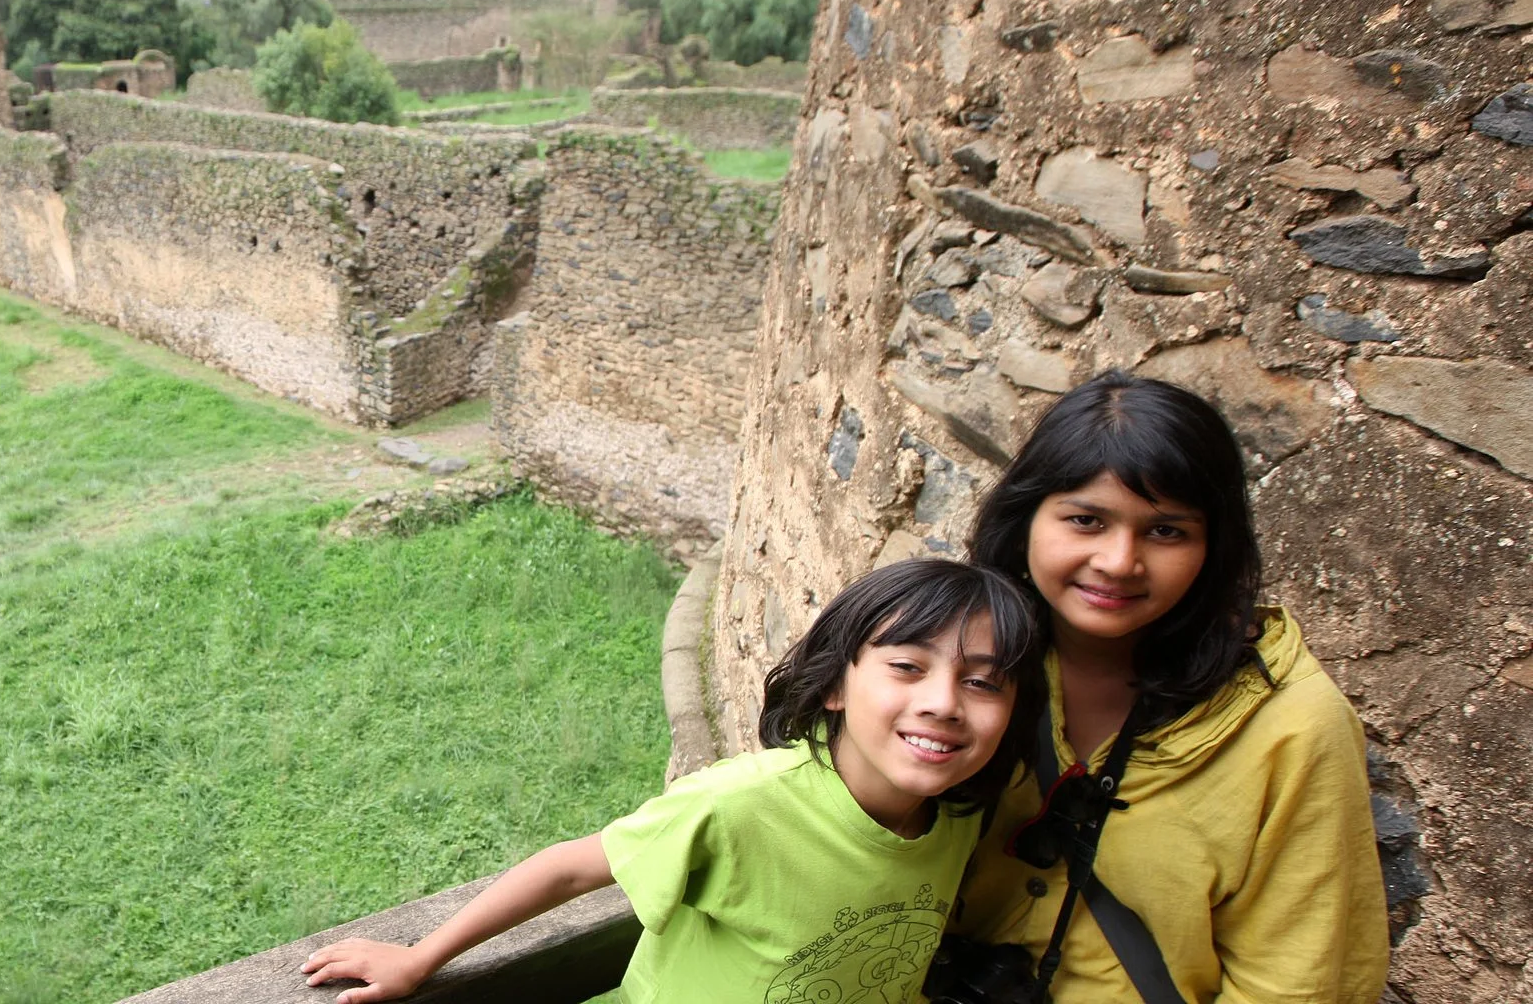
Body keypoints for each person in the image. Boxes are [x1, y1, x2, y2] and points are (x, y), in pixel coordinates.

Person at [298, 559, 1044, 1004]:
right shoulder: (742, 803)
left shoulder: (956, 818)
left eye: (983, 683)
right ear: (835, 686)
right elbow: (569, 870)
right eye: (907, 668)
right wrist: (420, 958)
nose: (944, 702)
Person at [948, 371, 1387, 1003]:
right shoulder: (957, 664)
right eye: (1085, 520)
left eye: (1165, 531)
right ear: (1026, 521)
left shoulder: (1293, 729)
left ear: (1213, 546)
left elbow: (1299, 980)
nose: (1119, 561)